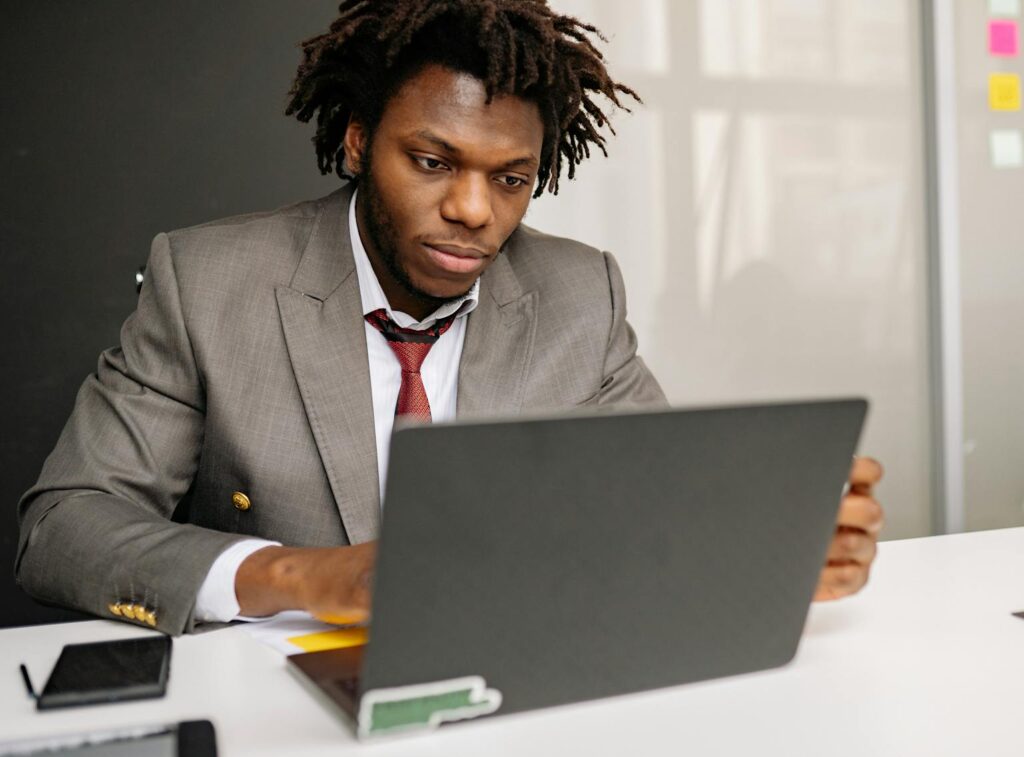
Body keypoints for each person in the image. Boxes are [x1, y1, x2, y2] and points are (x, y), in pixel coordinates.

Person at [16, 0, 884, 637]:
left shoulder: (583, 294)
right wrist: (302, 576)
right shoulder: (208, 282)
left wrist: (760, 555)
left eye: (512, 177)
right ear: (358, 141)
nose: (475, 209)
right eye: (432, 161)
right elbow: (64, 525)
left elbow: (647, 509)